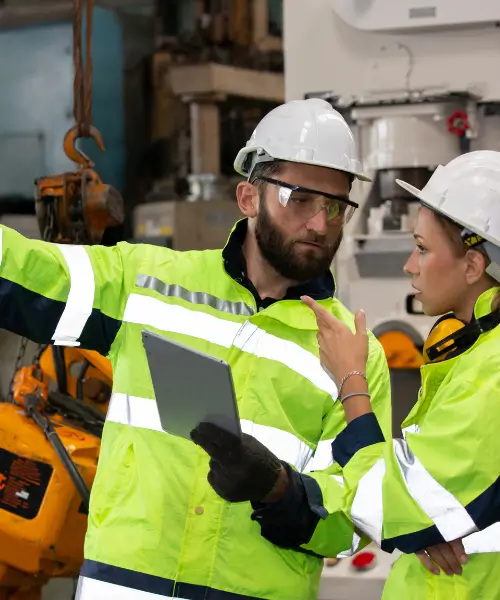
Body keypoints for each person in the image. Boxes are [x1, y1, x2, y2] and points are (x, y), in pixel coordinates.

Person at [0, 98, 392, 600]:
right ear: (249, 197)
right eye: (300, 199)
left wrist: (278, 489)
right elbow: (23, 272)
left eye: (336, 206)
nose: (320, 223)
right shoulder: (146, 284)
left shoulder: (355, 355)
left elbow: (350, 520)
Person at [300, 150, 500, 599]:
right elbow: (416, 504)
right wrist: (429, 525)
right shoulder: (476, 356)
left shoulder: (493, 373)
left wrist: (351, 379)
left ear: (473, 265)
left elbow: (386, 505)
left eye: (423, 249)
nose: (410, 265)